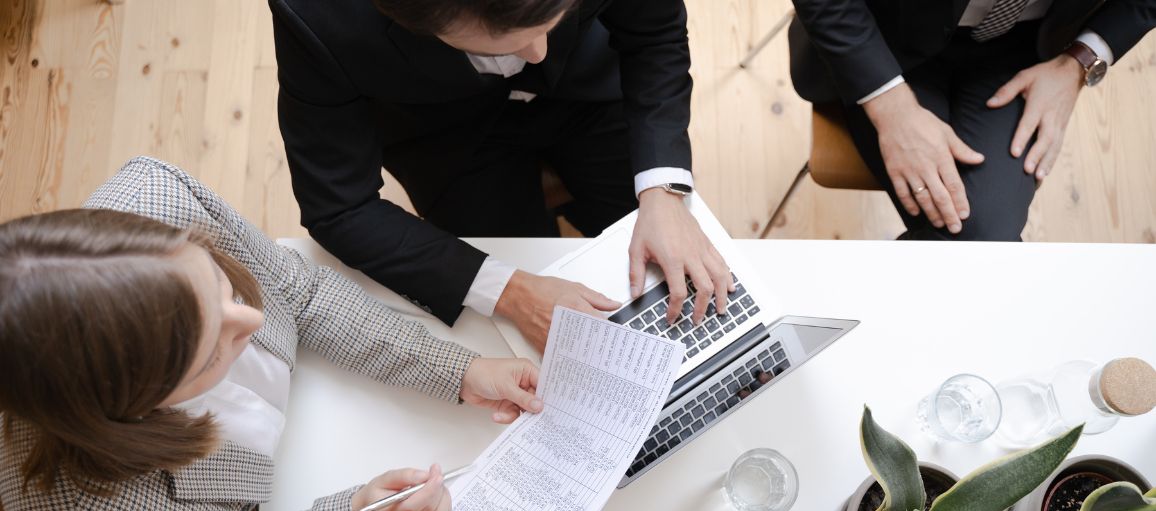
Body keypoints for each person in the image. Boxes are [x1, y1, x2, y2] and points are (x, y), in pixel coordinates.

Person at [0, 157, 544, 511]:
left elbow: (297, 290)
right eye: (214, 349)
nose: (254, 318)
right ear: (137, 405)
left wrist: (458, 368)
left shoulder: (156, 196)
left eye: (220, 284)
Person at [270, 0, 734, 352]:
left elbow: (655, 36)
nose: (537, 53)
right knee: (513, 281)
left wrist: (663, 191)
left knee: (648, 256)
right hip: (444, 137)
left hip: (590, 89)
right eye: (510, 40)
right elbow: (339, 207)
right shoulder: (315, 15)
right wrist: (512, 292)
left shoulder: (548, 44)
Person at [788, 0, 1156, 240]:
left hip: (1027, 48)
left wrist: (1080, 60)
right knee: (970, 240)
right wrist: (890, 106)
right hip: (882, 39)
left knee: (987, 237)